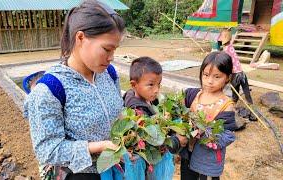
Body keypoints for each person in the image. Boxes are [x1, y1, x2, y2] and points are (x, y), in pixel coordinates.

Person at [23, 1, 125, 179]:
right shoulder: (51, 89)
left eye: (114, 50)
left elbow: (119, 112)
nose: (111, 58)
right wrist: (98, 147)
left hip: (115, 169)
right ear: (80, 38)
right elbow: (47, 150)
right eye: (106, 49)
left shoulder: (108, 74)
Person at [180, 52, 236, 180]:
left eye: (217, 77)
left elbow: (227, 135)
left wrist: (206, 134)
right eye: (206, 75)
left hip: (207, 162)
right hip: (188, 155)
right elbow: (178, 111)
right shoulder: (192, 95)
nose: (210, 81)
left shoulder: (226, 105)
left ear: (227, 77)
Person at [123, 56, 188, 150]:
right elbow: (150, 142)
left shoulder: (150, 99)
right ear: (134, 85)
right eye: (151, 85)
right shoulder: (137, 111)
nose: (156, 90)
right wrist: (176, 141)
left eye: (159, 84)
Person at [219, 28, 253, 105]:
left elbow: (227, 63)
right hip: (241, 73)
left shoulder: (226, 50)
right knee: (246, 89)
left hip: (235, 75)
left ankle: (234, 101)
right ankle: (250, 102)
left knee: (235, 90)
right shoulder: (231, 47)